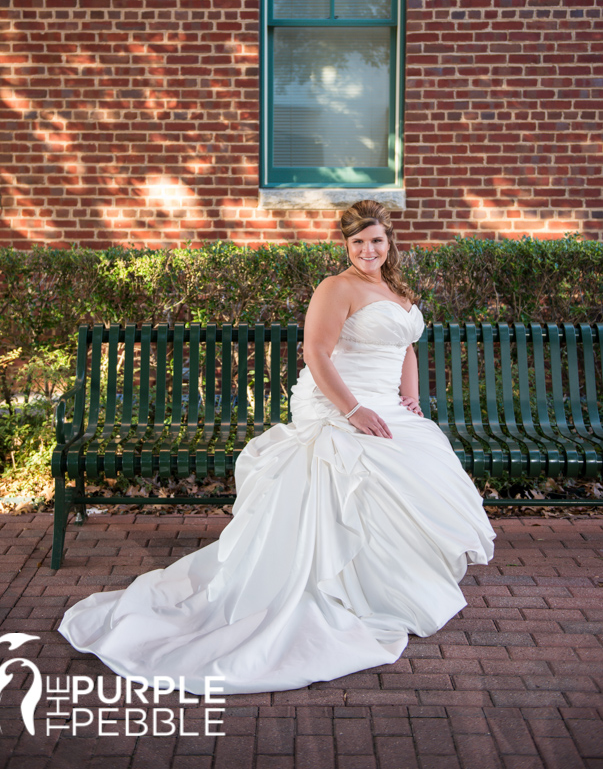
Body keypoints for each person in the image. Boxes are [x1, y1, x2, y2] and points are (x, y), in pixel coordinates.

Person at [59, 201, 495, 694]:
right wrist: (354, 412)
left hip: (386, 403)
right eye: (357, 243)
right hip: (340, 402)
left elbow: (406, 347)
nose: (368, 250)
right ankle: (339, 587)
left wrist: (410, 399)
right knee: (358, 472)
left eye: (375, 240)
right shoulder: (336, 288)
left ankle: (393, 587)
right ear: (345, 246)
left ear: (388, 241)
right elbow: (316, 353)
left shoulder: (396, 289)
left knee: (416, 466)